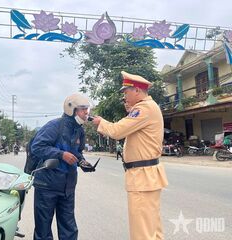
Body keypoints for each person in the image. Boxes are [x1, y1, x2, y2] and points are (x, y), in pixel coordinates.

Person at [92, 71, 168, 240]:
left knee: (142, 230)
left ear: (137, 91)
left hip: (142, 176)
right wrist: (130, 111)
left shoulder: (144, 108)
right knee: (152, 225)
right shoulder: (146, 108)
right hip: (147, 175)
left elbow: (117, 131)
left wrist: (101, 122)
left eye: (126, 92)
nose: (124, 96)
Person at [31, 93, 96, 240]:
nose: (86, 112)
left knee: (69, 228)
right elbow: (37, 146)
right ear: (71, 109)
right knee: (43, 230)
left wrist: (82, 162)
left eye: (87, 109)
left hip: (67, 187)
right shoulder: (55, 126)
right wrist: (61, 154)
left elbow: (77, 152)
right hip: (47, 185)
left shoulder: (79, 130)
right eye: (83, 109)